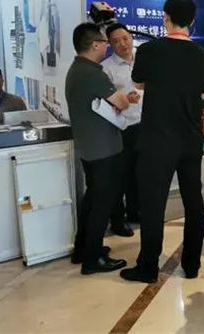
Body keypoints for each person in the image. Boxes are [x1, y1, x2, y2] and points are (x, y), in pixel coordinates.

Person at [120, 0, 204, 284]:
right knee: (193, 200)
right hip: (191, 138)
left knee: (153, 202)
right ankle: (192, 264)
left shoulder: (150, 49)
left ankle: (148, 266)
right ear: (192, 21)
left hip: (157, 138)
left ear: (165, 18)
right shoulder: (203, 55)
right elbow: (202, 92)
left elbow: (138, 82)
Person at [65, 23, 129, 274]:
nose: (107, 46)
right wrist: (125, 98)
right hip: (103, 150)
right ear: (94, 45)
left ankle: (83, 249)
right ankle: (92, 259)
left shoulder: (76, 69)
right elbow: (121, 103)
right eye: (104, 42)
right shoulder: (93, 73)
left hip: (89, 148)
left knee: (92, 199)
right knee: (102, 204)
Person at [102, 23, 142, 237]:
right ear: (109, 44)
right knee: (121, 175)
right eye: (116, 41)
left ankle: (136, 212)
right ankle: (118, 220)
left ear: (131, 37)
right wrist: (125, 99)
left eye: (125, 38)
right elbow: (104, 103)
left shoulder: (142, 59)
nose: (123, 44)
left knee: (140, 173)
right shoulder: (106, 68)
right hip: (122, 127)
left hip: (145, 125)